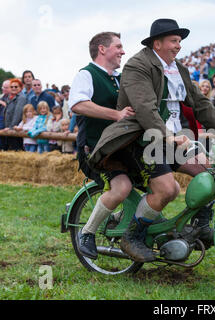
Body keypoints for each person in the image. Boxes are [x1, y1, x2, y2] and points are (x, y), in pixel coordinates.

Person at [86, 19, 215, 262]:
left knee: (213, 171)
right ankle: (133, 236)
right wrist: (168, 136)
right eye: (174, 41)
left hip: (173, 139)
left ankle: (200, 224)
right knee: (167, 189)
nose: (178, 46)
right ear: (158, 43)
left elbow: (198, 99)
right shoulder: (137, 66)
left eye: (180, 42)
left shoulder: (178, 68)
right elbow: (144, 108)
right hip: (143, 139)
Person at [68, 31, 135, 260]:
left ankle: (121, 220)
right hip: (96, 150)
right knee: (122, 187)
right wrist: (116, 115)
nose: (123, 51)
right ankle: (87, 233)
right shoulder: (86, 74)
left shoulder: (118, 78)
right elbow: (78, 104)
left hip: (123, 148)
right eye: (118, 46)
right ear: (102, 49)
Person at [3, 78, 26, 151]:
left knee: (16, 149)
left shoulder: (21, 98)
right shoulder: (9, 97)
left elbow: (18, 114)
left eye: (16, 87)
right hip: (8, 128)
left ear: (21, 88)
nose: (13, 88)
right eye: (12, 87)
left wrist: (11, 128)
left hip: (16, 129)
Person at [0, 80, 10, 150]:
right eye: (3, 87)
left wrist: (2, 103)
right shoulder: (2, 96)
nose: (4, 89)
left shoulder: (12, 97)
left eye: (6, 87)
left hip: (6, 121)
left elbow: (10, 108)